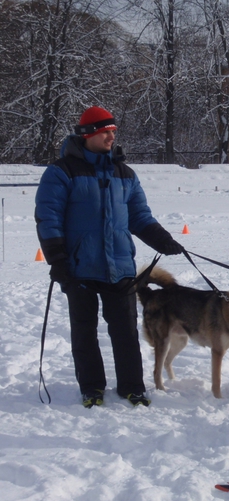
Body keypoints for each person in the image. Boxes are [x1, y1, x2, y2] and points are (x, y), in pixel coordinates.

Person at [35, 106, 185, 408]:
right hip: (79, 268)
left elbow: (139, 216)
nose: (111, 135)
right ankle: (92, 388)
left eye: (113, 131)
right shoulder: (61, 172)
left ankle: (132, 387)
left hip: (119, 267)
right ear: (88, 134)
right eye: (106, 131)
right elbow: (48, 217)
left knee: (126, 331)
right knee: (84, 331)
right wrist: (58, 260)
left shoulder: (124, 173)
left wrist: (163, 240)